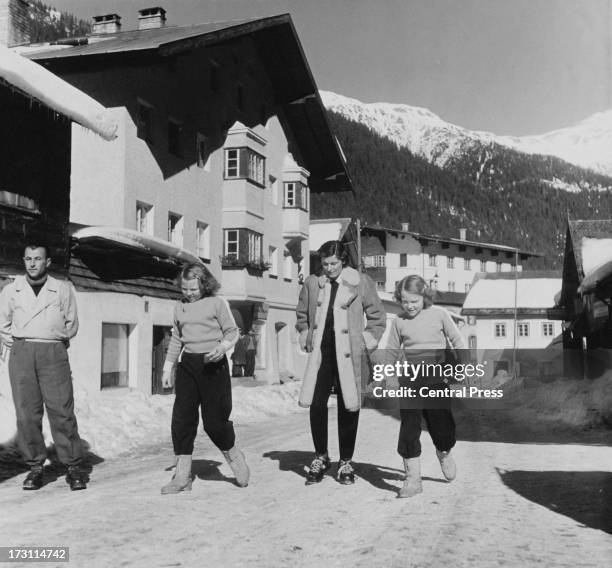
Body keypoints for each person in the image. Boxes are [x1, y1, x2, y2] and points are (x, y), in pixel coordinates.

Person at [296, 240, 386, 485]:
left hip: (349, 354)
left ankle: (346, 461)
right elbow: (302, 314)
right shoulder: (313, 283)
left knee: (349, 405)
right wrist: (305, 333)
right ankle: (321, 456)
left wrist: (365, 341)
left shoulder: (361, 282)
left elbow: (377, 317)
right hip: (321, 354)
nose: (329, 268)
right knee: (317, 404)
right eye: (325, 264)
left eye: (334, 263)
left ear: (343, 261)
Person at [0, 244, 86, 491]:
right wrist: (21, 342)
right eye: (28, 258)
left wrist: (52, 338)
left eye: (38, 258)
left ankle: (73, 467)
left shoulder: (62, 289)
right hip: (23, 352)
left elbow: (71, 324)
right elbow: (3, 323)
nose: (32, 263)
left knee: (61, 410)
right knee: (26, 412)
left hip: (53, 351)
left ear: (48, 261)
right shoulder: (11, 290)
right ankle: (35, 467)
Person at [160, 263, 249, 493]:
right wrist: (167, 367)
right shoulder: (179, 308)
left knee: (214, 422)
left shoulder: (217, 304)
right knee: (182, 419)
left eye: (193, 289)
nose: (188, 293)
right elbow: (177, 339)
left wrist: (222, 348)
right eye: (185, 289)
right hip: (188, 365)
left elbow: (233, 332)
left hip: (213, 365)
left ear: (204, 284)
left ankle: (234, 456)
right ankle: (182, 476)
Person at [387, 275, 466, 498]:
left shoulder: (439, 314)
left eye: (414, 301)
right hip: (410, 379)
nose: (409, 306)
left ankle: (444, 451)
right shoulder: (399, 321)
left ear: (425, 296)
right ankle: (412, 479)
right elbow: (392, 350)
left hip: (436, 377)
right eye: (405, 301)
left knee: (441, 425)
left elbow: (457, 341)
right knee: (409, 427)